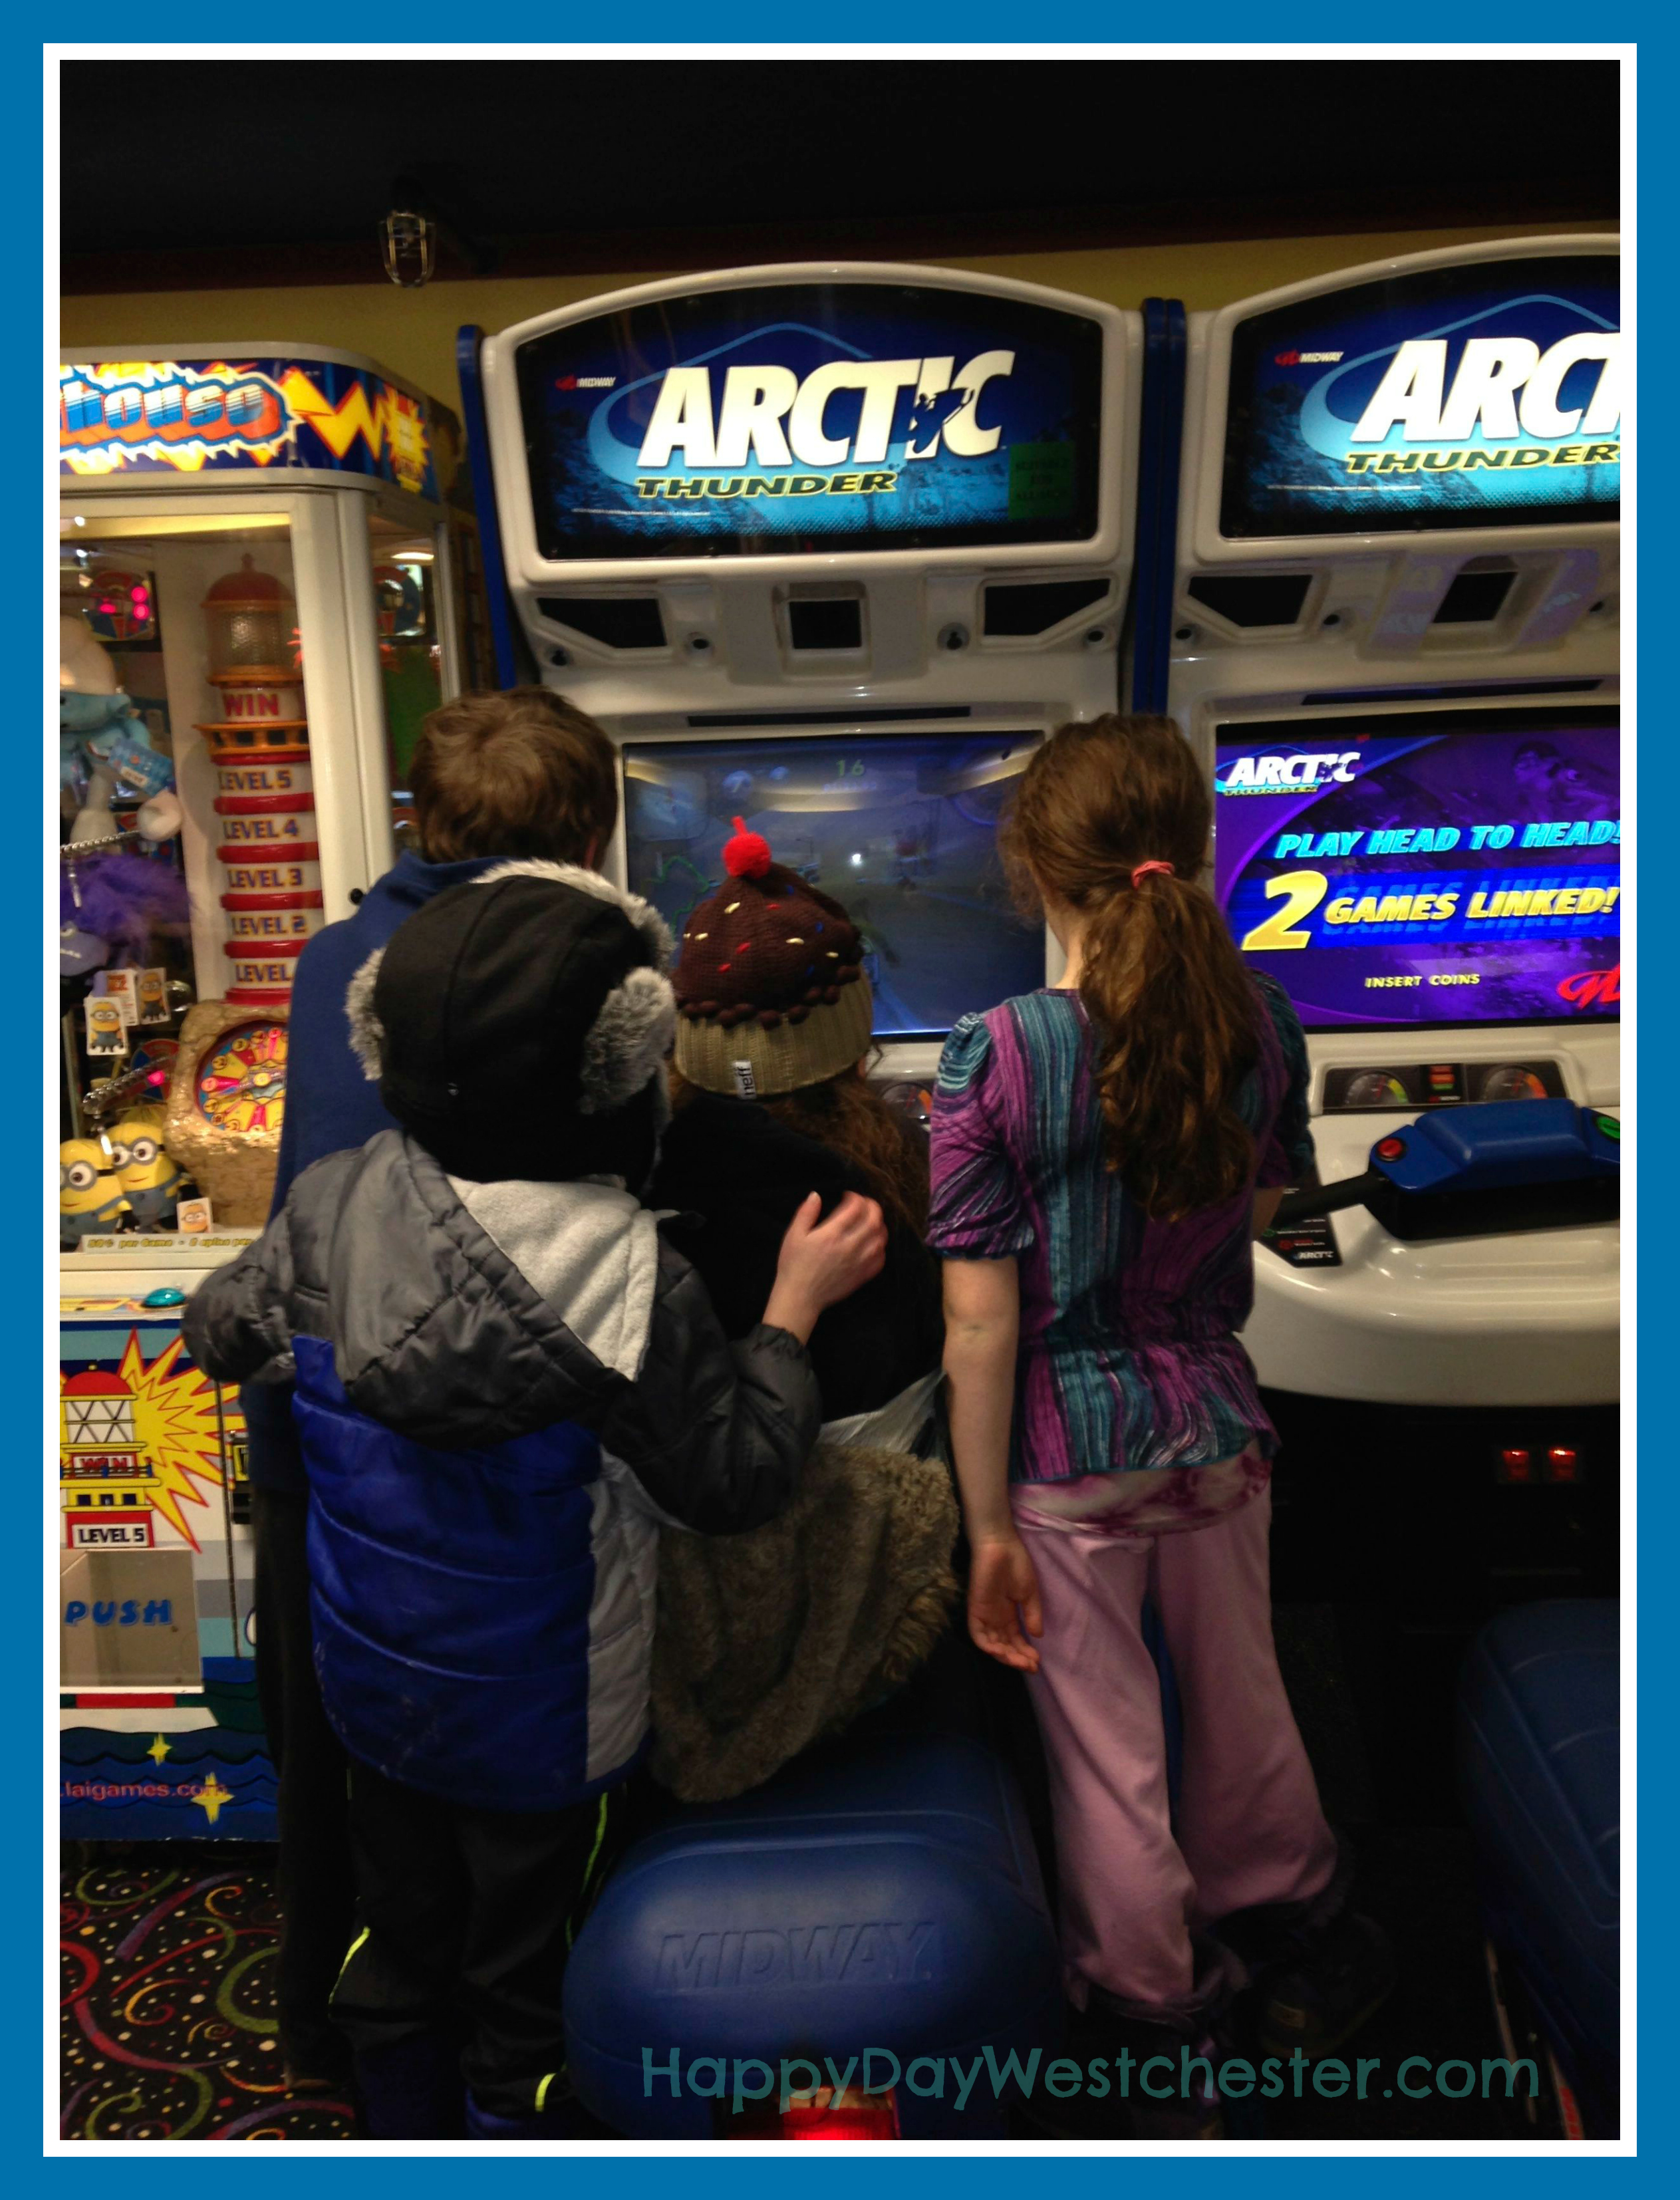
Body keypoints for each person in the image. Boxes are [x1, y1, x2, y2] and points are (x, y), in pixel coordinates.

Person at [186, 861, 887, 2138]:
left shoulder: (332, 1201)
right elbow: (732, 1484)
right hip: (551, 1729)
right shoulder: (631, 1273)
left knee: (397, 1951)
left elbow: (224, 1330)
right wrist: (791, 1313)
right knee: (529, 1985)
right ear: (620, 1071)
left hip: (376, 1697)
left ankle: (399, 2133)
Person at [927, 715, 1393, 2139]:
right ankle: (1288, 1930)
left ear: (1033, 870)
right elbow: (1259, 1212)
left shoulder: (992, 1052)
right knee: (1244, 1702)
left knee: (1108, 1755)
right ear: (1192, 852)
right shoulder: (1263, 1023)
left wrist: (988, 1529)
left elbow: (979, 1327)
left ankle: (1153, 2003)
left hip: (1067, 1464)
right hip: (1216, 1435)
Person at [237, 687, 619, 2090]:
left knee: (351, 1754)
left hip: (314, 1402)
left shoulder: (330, 955)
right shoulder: (574, 967)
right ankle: (527, 2054)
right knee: (515, 1755)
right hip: (493, 1423)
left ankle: (340, 2042)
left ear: (421, 817)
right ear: (588, 833)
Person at [642, 818, 956, 1798]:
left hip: (686, 1606)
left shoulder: (641, 1179)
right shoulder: (891, 1176)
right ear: (850, 1033)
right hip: (871, 1587)